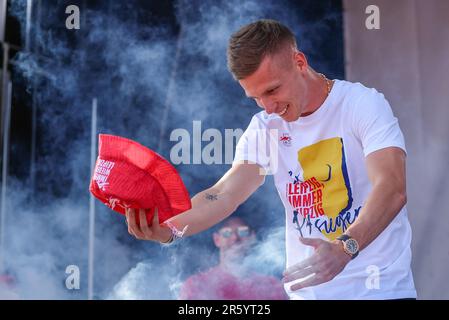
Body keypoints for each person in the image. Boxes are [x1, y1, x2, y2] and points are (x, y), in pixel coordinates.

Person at [126, 19, 417, 300]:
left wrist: (345, 248)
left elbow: (392, 188)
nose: (268, 107)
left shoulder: (361, 103)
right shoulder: (265, 127)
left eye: (272, 90)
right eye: (255, 98)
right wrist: (169, 228)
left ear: (299, 63)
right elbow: (223, 194)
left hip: (380, 292)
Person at [178, 216, 287, 300]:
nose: (235, 238)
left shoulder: (272, 286)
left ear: (252, 237)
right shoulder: (196, 285)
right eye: (227, 233)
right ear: (217, 239)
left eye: (243, 231)